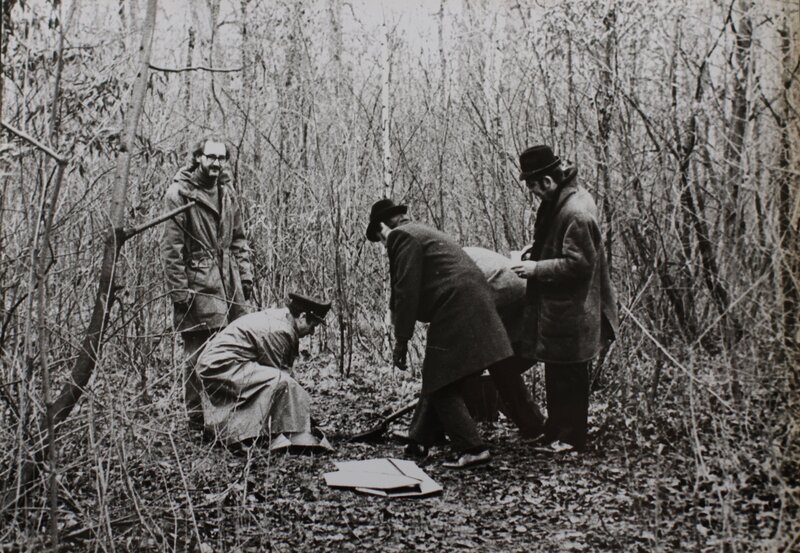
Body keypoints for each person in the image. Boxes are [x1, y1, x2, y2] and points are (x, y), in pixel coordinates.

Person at [366, 199, 515, 469]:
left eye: (379, 238)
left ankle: (472, 448)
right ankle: (419, 440)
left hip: (457, 306)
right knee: (441, 375)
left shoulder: (401, 236)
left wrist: (402, 339)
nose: (382, 245)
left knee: (440, 381)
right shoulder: (422, 231)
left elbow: (405, 290)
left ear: (382, 227)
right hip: (473, 302)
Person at [510, 145, 618, 453]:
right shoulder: (563, 201)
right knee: (556, 371)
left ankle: (570, 438)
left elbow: (579, 265)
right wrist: (536, 253)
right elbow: (559, 244)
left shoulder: (577, 211)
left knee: (569, 375)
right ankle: (555, 431)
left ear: (547, 181)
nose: (533, 193)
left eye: (533, 186)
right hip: (560, 308)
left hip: (575, 308)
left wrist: (535, 268)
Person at [161, 136, 253, 432]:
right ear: (198, 157)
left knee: (231, 347)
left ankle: (224, 414)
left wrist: (245, 274)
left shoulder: (227, 191)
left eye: (221, 158)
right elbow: (171, 248)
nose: (216, 163)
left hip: (230, 282)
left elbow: (238, 238)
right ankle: (196, 419)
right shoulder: (180, 193)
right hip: (198, 282)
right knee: (197, 354)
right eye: (210, 157)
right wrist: (179, 290)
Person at [195, 293, 331, 448]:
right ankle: (241, 435)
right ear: (302, 316)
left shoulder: (282, 319)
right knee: (281, 383)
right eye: (312, 326)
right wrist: (302, 420)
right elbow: (282, 379)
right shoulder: (281, 330)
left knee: (276, 382)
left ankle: (240, 433)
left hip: (222, 363)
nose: (312, 332)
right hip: (220, 366)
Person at [464, 246, 545, 434]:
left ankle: (429, 430)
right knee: (500, 363)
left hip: (505, 289)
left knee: (496, 361)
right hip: (513, 288)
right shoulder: (454, 254)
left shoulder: (444, 262)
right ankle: (533, 424)